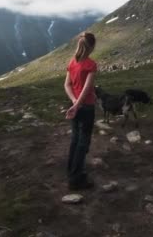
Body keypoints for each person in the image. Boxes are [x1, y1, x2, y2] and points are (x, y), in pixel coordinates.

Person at [64, 32, 97, 190]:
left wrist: (73, 101)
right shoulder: (90, 64)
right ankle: (76, 178)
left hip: (75, 106)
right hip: (86, 107)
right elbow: (87, 88)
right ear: (92, 47)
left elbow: (67, 85)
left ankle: (71, 169)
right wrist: (78, 105)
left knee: (75, 139)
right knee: (83, 142)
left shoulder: (72, 63)